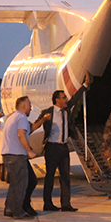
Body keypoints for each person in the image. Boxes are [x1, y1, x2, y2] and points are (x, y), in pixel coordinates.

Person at [35, 77, 88, 212]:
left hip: (63, 147)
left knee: (65, 177)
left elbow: (75, 98)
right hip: (52, 147)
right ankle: (47, 203)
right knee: (50, 176)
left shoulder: (66, 110)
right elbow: (37, 124)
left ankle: (66, 204)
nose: (66, 99)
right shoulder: (47, 112)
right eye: (63, 97)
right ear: (57, 100)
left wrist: (85, 84)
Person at [1, 96, 36, 219]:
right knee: (21, 185)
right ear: (23, 106)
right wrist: (29, 151)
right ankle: (18, 212)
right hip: (17, 155)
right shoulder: (21, 118)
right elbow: (21, 135)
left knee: (15, 184)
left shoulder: (12, 117)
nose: (31, 107)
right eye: (29, 104)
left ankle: (9, 209)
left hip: (8, 154)